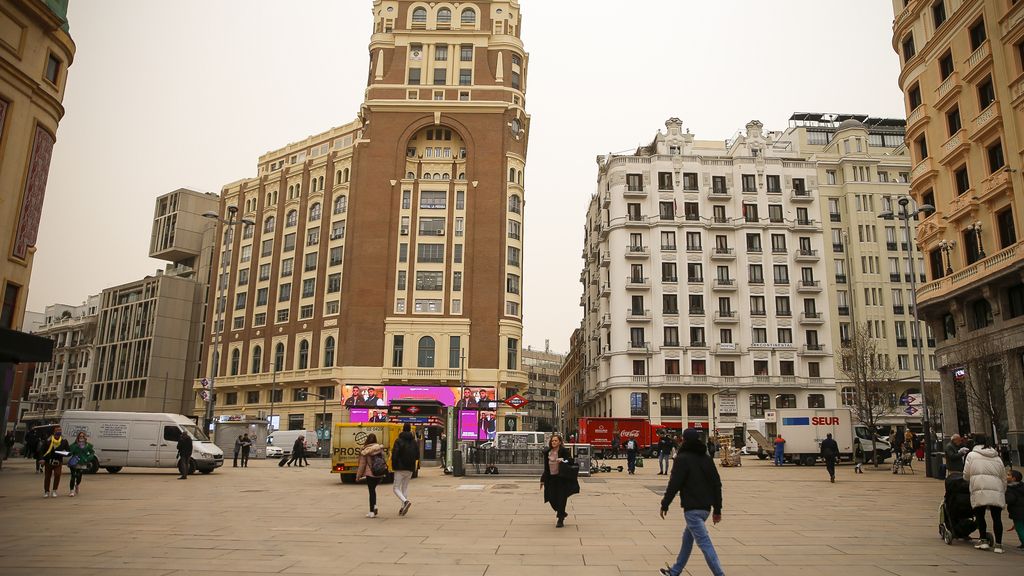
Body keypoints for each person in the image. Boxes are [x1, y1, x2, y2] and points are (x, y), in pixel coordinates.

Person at [659, 428, 724, 576]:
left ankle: (720, 574)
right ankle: (675, 571)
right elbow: (716, 484)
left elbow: (674, 484)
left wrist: (665, 503)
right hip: (706, 508)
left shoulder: (682, 459)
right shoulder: (706, 458)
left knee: (704, 543)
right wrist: (717, 509)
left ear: (684, 440)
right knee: (687, 539)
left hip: (692, 508)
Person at [963, 435, 1007, 553]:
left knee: (980, 515)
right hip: (996, 488)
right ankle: (998, 545)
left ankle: (983, 541)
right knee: (997, 518)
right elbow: (1003, 476)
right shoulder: (997, 457)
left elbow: (966, 475)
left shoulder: (971, 455)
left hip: (979, 487)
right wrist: (1003, 490)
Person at [540, 435, 579, 527]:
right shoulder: (547, 452)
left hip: (561, 478)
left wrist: (563, 460)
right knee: (551, 498)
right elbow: (546, 468)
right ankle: (562, 512)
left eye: (556, 441)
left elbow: (570, 461)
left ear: (560, 442)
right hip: (551, 478)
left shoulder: (563, 451)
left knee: (561, 498)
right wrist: (542, 480)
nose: (554, 442)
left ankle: (560, 519)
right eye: (552, 441)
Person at [356, 433, 386, 518]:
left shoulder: (365, 451)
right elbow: (384, 459)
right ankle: (374, 506)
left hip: (370, 474)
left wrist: (358, 476)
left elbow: (362, 464)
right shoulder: (379, 448)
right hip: (379, 472)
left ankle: (372, 511)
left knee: (371, 491)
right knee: (373, 490)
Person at [391, 423, 418, 516]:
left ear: (402, 429)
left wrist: (394, 465)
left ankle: (405, 502)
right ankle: (403, 507)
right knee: (405, 488)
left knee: (395, 488)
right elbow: (417, 455)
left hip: (400, 467)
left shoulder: (398, 441)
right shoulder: (414, 442)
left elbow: (395, 454)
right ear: (410, 430)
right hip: (410, 468)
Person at [39, 425, 69, 498]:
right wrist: (42, 459)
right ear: (53, 432)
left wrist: (62, 453)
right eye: (57, 430)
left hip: (58, 461)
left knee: (57, 474)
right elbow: (42, 450)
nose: (59, 431)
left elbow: (68, 451)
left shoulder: (64, 441)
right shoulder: (48, 440)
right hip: (48, 461)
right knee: (47, 476)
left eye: (60, 430)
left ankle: (54, 490)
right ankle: (46, 491)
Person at [67, 431, 95, 497]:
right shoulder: (74, 445)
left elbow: (92, 453)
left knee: (79, 476)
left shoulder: (88, 445)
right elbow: (70, 452)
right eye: (80, 436)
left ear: (85, 437)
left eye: (82, 436)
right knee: (73, 476)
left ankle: (77, 485)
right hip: (74, 462)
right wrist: (68, 453)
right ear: (78, 437)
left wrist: (88, 458)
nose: (81, 437)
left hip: (82, 462)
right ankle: (71, 491)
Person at [1005, 470, 1024, 550]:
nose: (1006, 476)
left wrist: (1004, 498)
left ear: (1014, 478)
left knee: (1019, 528)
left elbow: (1010, 499)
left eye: (1008, 475)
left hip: (1017, 512)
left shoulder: (1010, 488)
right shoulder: (1022, 486)